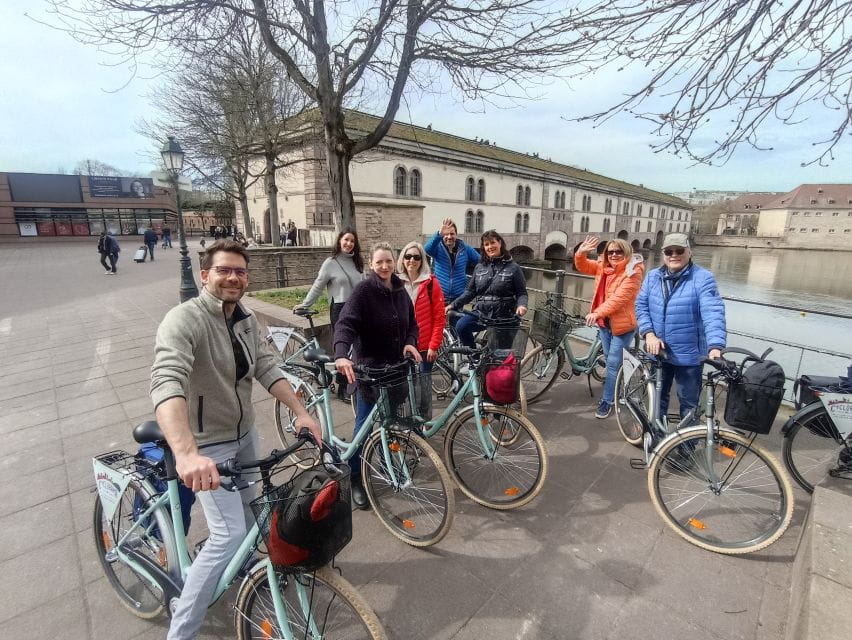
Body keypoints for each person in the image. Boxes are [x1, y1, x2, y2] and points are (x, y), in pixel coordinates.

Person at [150, 239, 322, 640]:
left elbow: (266, 365)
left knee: (250, 518)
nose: (233, 278)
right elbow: (166, 381)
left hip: (244, 435)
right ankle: (182, 631)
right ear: (205, 275)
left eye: (240, 271)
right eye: (224, 270)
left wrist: (301, 411)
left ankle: (243, 573)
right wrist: (188, 453)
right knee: (227, 535)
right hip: (207, 443)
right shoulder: (184, 320)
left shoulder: (243, 317)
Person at [334, 242, 421, 509]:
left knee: (390, 419)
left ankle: (385, 457)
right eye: (379, 262)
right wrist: (340, 353)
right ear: (371, 264)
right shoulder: (363, 291)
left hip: (396, 369)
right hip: (370, 372)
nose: (385, 266)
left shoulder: (400, 290)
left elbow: (413, 325)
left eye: (388, 261)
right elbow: (346, 323)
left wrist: (410, 342)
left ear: (395, 263)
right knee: (363, 427)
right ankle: (356, 478)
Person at [636, 232, 727, 421]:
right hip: (658, 351)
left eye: (679, 250)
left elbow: (713, 312)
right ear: (663, 254)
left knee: (689, 403)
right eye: (669, 251)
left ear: (689, 252)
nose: (674, 255)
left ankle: (687, 448)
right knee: (657, 399)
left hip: (689, 356)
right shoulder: (653, 276)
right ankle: (656, 439)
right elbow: (641, 306)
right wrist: (649, 334)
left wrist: (715, 346)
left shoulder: (703, 278)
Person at [574, 235, 645, 419]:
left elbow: (618, 299)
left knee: (612, 363)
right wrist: (581, 253)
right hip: (604, 323)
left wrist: (597, 312)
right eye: (610, 252)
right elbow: (582, 266)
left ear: (627, 252)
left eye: (618, 252)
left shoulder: (633, 271)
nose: (613, 255)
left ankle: (607, 401)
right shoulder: (603, 267)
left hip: (622, 325)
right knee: (610, 358)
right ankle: (624, 380)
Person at [297, 229, 365, 402]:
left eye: (352, 241)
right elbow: (318, 285)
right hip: (340, 308)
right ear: (339, 241)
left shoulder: (357, 263)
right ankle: (343, 387)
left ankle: (356, 381)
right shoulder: (330, 262)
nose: (349, 243)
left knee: (358, 347)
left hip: (358, 308)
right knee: (343, 348)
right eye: (346, 240)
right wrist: (305, 304)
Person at [449, 230, 528, 347]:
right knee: (461, 326)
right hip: (481, 313)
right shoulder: (480, 267)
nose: (490, 247)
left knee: (498, 353)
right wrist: (453, 305)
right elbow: (470, 292)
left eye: (492, 243)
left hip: (504, 315)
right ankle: (474, 357)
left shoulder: (514, 267)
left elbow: (522, 293)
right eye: (486, 244)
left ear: (500, 243)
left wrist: (522, 305)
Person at [397, 240, 446, 417]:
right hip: (403, 344)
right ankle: (410, 420)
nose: (412, 260)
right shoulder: (396, 283)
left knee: (424, 386)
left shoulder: (431, 283)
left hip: (425, 345)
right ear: (403, 259)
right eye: (408, 256)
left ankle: (424, 421)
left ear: (422, 260)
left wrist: (434, 345)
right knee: (406, 384)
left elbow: (439, 319)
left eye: (416, 257)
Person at [424, 217, 481, 305]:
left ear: (456, 234)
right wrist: (439, 234)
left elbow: (480, 260)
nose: (449, 237)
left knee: (457, 318)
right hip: (440, 296)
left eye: (452, 234)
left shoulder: (464, 248)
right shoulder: (438, 247)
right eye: (446, 234)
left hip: (459, 297)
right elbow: (427, 249)